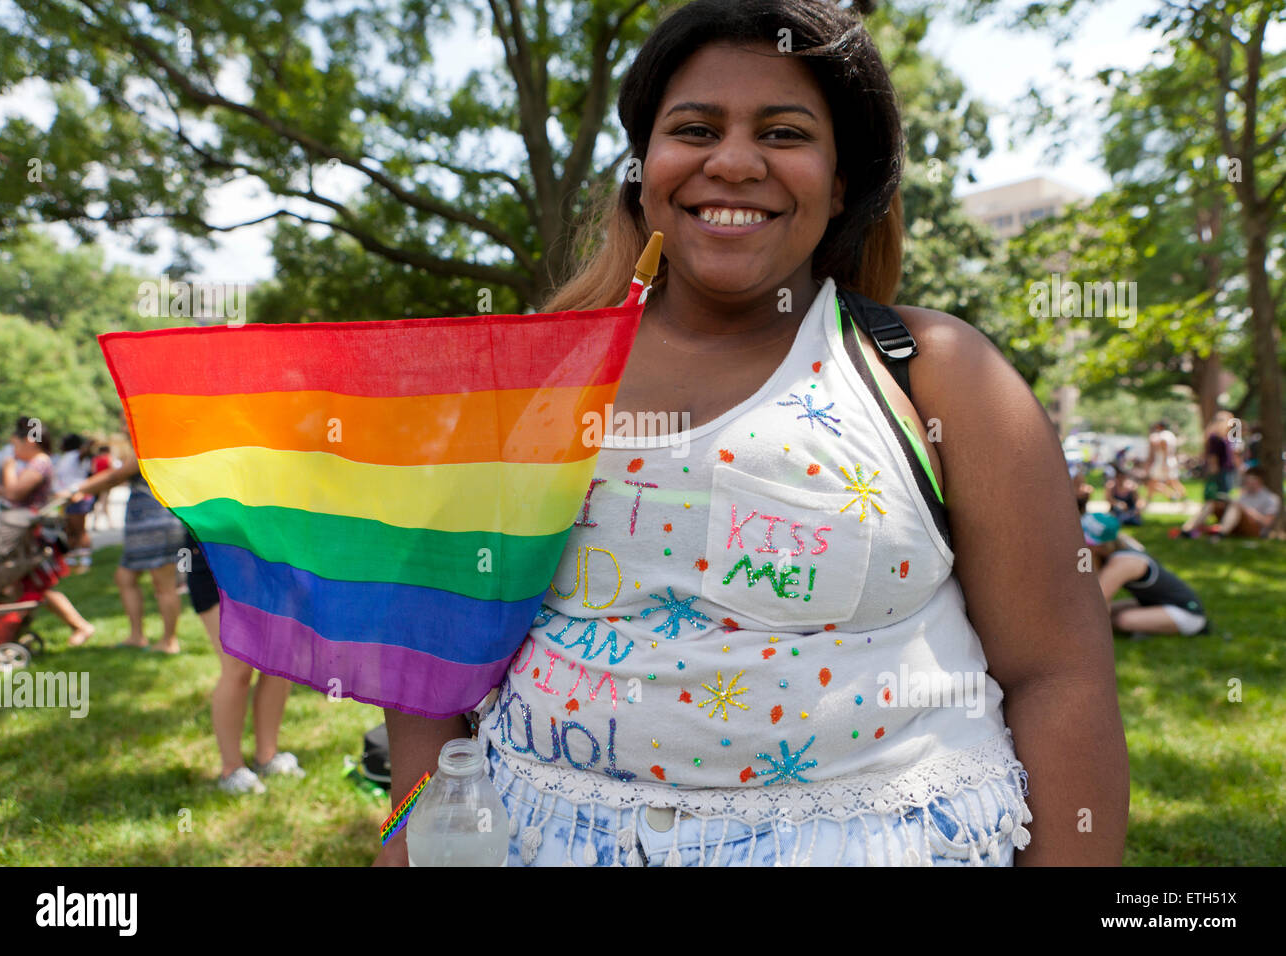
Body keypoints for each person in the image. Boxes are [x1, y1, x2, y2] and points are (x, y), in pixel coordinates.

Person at [375, 0, 1126, 867]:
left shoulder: (936, 373)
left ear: (841, 180)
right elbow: (433, 657)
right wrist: (411, 843)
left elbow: (1057, 674)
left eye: (784, 132)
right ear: (646, 167)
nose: (732, 162)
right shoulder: (534, 382)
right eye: (694, 128)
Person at [183, 533, 305, 794]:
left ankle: (267, 756)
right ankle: (231, 770)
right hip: (213, 556)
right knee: (237, 667)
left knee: (279, 662)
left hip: (270, 557)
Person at [70, 447, 188, 652]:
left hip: (158, 522)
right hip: (145, 524)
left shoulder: (150, 442)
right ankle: (136, 636)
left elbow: (116, 476)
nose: (124, 426)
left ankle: (169, 642)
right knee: (125, 577)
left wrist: (78, 489)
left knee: (163, 585)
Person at [0, 417, 96, 645]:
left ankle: (80, 626)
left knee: (35, 586)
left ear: (30, 441)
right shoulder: (38, 462)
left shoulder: (39, 462)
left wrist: (8, 469)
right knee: (32, 587)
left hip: (30, 537)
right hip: (23, 535)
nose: (13, 451)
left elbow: (14, 494)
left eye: (15, 445)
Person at [1083, 513, 1207, 638]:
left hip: (1187, 613)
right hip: (1153, 603)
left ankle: (1148, 629)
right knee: (1110, 615)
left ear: (1099, 544)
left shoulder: (1124, 562)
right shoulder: (1120, 547)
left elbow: (1099, 599)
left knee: (1122, 620)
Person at [1180, 465, 1281, 539]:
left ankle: (1220, 534)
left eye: (1251, 481)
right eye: (1246, 481)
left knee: (1235, 506)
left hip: (1254, 530)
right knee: (1212, 503)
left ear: (1259, 481)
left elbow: (1267, 522)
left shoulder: (1271, 498)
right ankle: (1187, 529)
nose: (1247, 484)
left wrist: (1246, 510)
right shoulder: (1244, 494)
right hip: (1236, 525)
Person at [54, 433, 95, 573]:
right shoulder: (65, 457)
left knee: (79, 530)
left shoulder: (76, 455)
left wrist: (90, 442)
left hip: (77, 496)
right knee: (69, 530)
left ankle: (85, 560)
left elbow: (84, 452)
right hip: (65, 498)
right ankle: (71, 560)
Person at [1142, 421, 1185, 505]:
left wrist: (1164, 462)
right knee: (1172, 481)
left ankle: (1148, 499)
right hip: (1170, 460)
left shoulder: (1162, 436)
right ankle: (1181, 497)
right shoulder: (1171, 435)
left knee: (1153, 480)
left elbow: (1163, 446)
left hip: (1162, 461)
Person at [1201, 411, 1238, 504]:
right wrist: (1214, 467)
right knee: (1221, 493)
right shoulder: (1215, 437)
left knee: (1225, 492)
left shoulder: (1223, 436)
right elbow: (1213, 454)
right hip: (1220, 468)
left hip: (1226, 467)